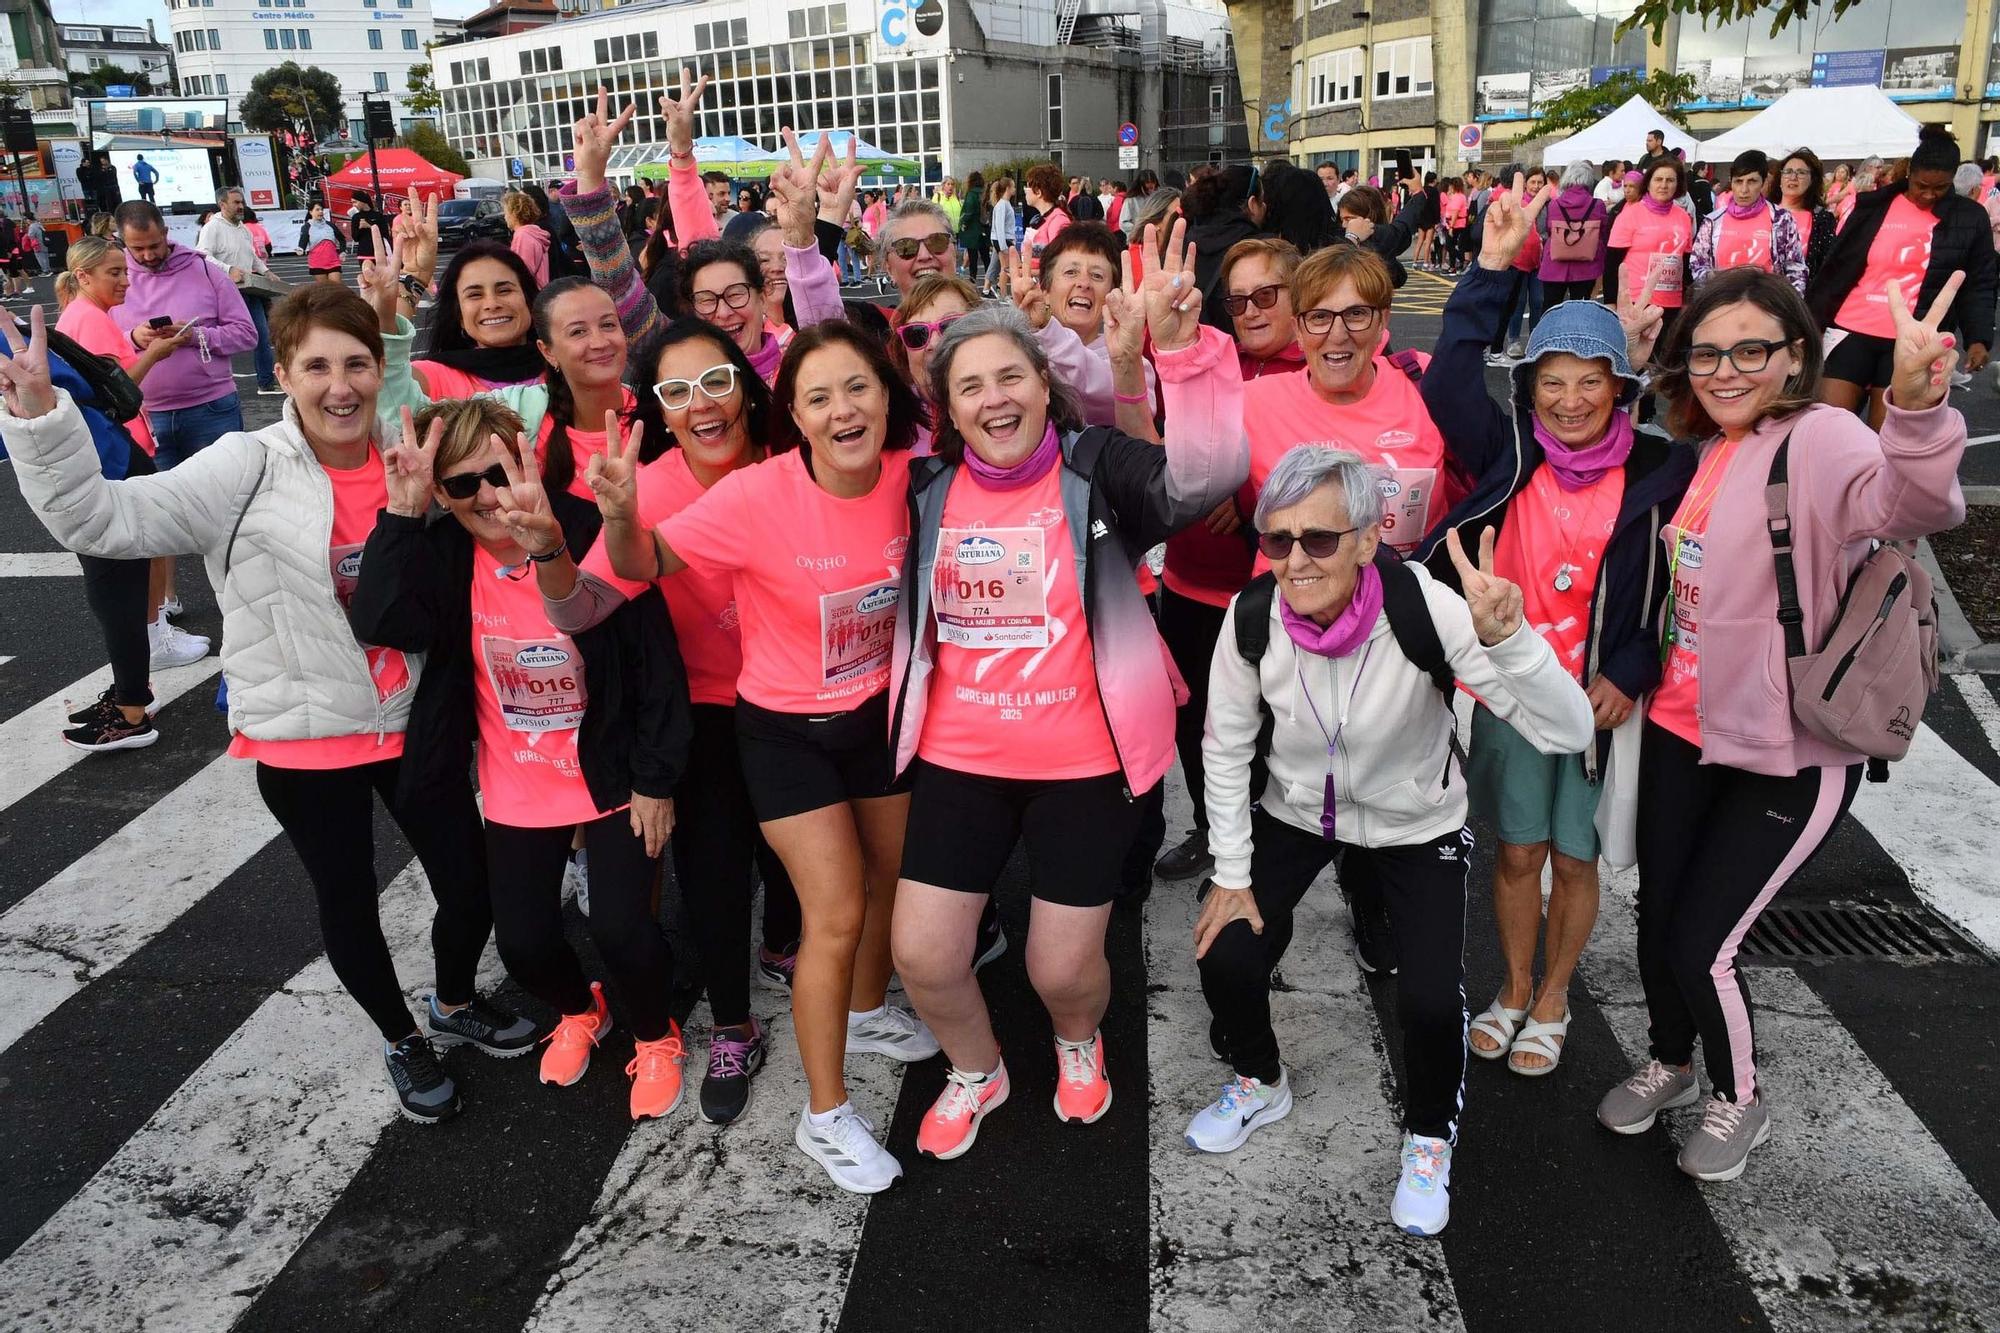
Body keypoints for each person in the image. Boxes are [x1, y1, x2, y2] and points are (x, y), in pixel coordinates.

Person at [0, 283, 535, 1124]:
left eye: (356, 362)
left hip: (413, 724)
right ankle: (401, 1033)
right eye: (316, 365)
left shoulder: (413, 449)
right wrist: (43, 422)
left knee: (471, 886)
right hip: (302, 736)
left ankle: (456, 997)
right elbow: (101, 520)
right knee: (348, 898)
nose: (340, 385)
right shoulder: (244, 466)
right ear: (282, 372)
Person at [540, 318, 941, 1194]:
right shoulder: (756, 495)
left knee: (890, 878)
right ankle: (825, 1117)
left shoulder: (917, 477)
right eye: (820, 397)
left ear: (888, 395)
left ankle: (867, 1012)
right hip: (782, 731)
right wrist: (615, 516)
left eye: (859, 388)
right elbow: (638, 565)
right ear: (791, 414)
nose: (843, 409)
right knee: (831, 912)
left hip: (877, 717)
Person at [889, 223, 1249, 1162]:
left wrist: (1180, 353)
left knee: (1062, 966)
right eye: (969, 386)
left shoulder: (1100, 469)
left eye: (1011, 377)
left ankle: (1076, 1041)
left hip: (1086, 759)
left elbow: (1209, 474)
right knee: (924, 954)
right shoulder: (923, 488)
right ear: (948, 412)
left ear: (1045, 385)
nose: (993, 398)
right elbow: (826, 402)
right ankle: (979, 1068)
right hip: (960, 757)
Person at [1596, 265, 1965, 1181]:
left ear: (1796, 354)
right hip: (1686, 729)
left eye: (1750, 350)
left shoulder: (1826, 436)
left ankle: (1737, 1097)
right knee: (1657, 922)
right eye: (1709, 352)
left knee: (1702, 941)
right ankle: (1673, 1063)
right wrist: (1636, 368)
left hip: (1792, 745)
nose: (1726, 370)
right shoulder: (1714, 442)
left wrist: (1914, 412)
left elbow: (1913, 505)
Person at [1190, 444, 1593, 1235]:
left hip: (1417, 821)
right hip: (1300, 810)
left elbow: (1568, 726)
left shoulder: (1428, 608)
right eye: (1278, 540)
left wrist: (1511, 642)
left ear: (1370, 538)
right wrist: (1232, 871)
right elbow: (1225, 748)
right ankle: (1260, 1078)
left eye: (1319, 539)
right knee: (1225, 951)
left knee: (1430, 1000)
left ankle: (1427, 1135)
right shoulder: (1252, 618)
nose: (1296, 561)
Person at [350, 397, 693, 1120]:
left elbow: (655, 664)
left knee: (624, 929)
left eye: (497, 473)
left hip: (611, 773)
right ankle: (580, 1009)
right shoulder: (445, 551)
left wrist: (656, 780)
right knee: (526, 944)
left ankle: (657, 1034)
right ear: (442, 492)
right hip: (518, 783)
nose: (486, 497)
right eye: (461, 484)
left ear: (525, 458)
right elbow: (380, 618)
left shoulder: (588, 528)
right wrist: (404, 513)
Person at [1420, 183, 1693, 1076]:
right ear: (1529, 387)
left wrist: (1628, 667)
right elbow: (1454, 372)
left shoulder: (1662, 470)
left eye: (1590, 383)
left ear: (1621, 388)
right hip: (1508, 690)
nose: (1571, 401)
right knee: (1516, 852)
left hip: (1599, 700)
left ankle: (1554, 992)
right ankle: (1508, 983)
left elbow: (1674, 590)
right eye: (1552, 382)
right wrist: (1493, 267)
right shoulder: (1511, 451)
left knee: (1576, 860)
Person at [1151, 236, 1299, 884]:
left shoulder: (1316, 371)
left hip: (1267, 594)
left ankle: (1258, 848)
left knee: (1264, 734)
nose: (1251, 309)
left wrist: (1249, 508)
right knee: (1193, 725)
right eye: (1238, 299)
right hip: (1186, 582)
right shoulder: (1210, 360)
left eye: (1267, 294)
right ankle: (1212, 833)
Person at [55, 235, 211, 703]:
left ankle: (152, 639)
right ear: (83, 276)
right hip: (118, 451)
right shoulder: (87, 319)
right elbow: (114, 394)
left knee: (139, 550)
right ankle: (152, 641)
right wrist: (154, 354)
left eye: (124, 271)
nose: (126, 281)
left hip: (117, 450)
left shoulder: (88, 317)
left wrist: (136, 340)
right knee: (135, 551)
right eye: (114, 273)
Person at [114, 199, 259, 613]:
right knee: (156, 512)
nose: (147, 256)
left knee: (228, 505)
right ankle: (166, 601)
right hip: (147, 413)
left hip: (210, 407)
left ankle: (240, 594)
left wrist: (197, 336)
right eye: (137, 249)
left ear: (166, 232)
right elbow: (96, 339)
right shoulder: (117, 277)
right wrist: (133, 340)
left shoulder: (203, 270)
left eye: (155, 245)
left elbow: (246, 335)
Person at [1809, 126, 1996, 429]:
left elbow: (1980, 282)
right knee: (1828, 430)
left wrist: (1978, 338)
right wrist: (1813, 321)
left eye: (1941, 188)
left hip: (1912, 340)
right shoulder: (1874, 206)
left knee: (1886, 441)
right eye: (1922, 185)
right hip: (1851, 329)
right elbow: (1836, 267)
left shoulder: (1970, 218)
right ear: (1909, 172)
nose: (1929, 194)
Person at [197, 186, 282, 396]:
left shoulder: (243, 228)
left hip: (248, 288)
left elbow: (252, 256)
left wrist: (266, 271)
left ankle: (266, 383)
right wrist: (228, 269)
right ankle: (213, 386)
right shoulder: (212, 228)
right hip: (221, 291)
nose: (241, 206)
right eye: (236, 203)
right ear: (222, 204)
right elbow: (201, 255)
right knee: (216, 338)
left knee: (261, 335)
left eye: (242, 202)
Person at [1689, 151, 1806, 296]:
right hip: (1723, 305)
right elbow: (1697, 264)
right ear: (1731, 182)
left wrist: (1786, 308)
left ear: (1763, 182)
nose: (1744, 190)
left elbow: (1796, 268)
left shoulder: (1781, 219)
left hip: (1767, 308)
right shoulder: (1713, 221)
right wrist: (1718, 279)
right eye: (1738, 181)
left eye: (1752, 181)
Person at [1606, 159, 1693, 344]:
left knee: (1668, 360)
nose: (1663, 185)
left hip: (1672, 303)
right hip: (1637, 302)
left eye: (1670, 180)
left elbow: (1685, 262)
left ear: (1678, 185)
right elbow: (1612, 262)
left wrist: (1687, 301)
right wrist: (1610, 303)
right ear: (1648, 182)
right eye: (1658, 179)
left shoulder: (1684, 217)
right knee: (1639, 362)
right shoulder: (1630, 214)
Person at [1540, 162, 1609, 305]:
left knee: (1550, 309)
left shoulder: (1554, 204)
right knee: (1580, 309)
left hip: (1555, 265)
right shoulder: (1597, 205)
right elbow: (1603, 233)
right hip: (1586, 267)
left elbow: (1549, 229)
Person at [1770, 148, 1837, 280]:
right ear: (1780, 178)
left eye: (1801, 173)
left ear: (1812, 180)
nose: (1793, 178)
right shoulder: (1765, 211)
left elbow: (1827, 266)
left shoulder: (1822, 219)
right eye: (1788, 172)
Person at [1023, 164, 1072, 263]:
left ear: (1038, 192)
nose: (1025, 190)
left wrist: (1027, 272)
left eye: (1027, 186)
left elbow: (1059, 263)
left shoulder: (1058, 221)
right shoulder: (1040, 218)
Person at [505, 191, 552, 286]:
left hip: (531, 294)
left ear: (514, 213)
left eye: (506, 213)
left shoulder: (522, 235)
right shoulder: (534, 233)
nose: (504, 217)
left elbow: (523, 272)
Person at [986, 178, 1017, 297]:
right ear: (1007, 188)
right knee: (1006, 267)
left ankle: (997, 288)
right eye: (1013, 187)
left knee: (1002, 266)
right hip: (1003, 240)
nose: (1014, 189)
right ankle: (1002, 292)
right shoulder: (1002, 204)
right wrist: (1003, 245)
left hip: (1004, 239)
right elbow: (999, 226)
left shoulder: (1005, 203)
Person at [300, 202, 346, 284]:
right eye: (317, 210)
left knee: (337, 287)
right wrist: (301, 248)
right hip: (317, 262)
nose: (320, 212)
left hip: (333, 261)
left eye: (321, 210)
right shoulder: (307, 226)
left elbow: (342, 239)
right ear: (311, 212)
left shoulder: (330, 225)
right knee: (324, 290)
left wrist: (342, 251)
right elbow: (303, 240)